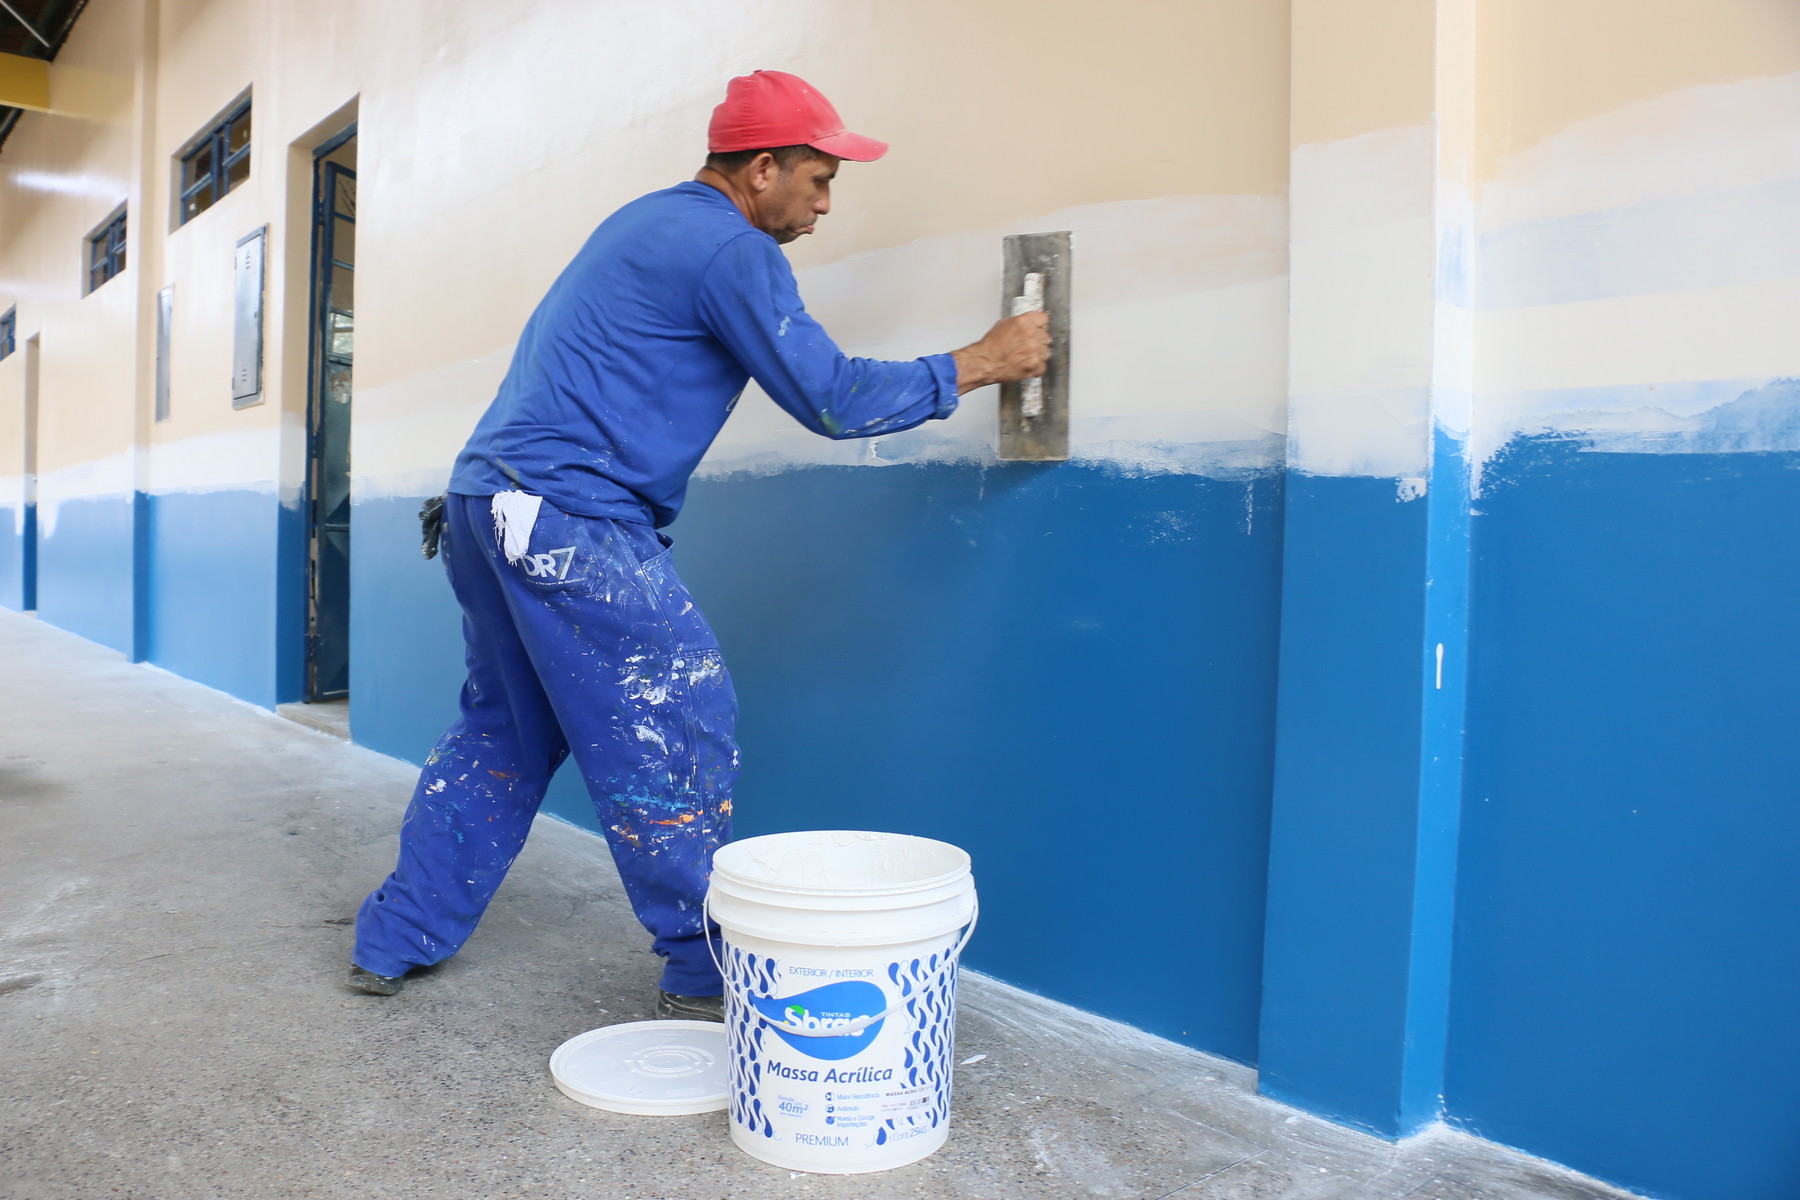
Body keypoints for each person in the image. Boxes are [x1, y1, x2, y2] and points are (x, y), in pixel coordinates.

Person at [347, 70, 1049, 1019]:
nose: (825, 205)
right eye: (818, 180)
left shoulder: (646, 220)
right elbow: (834, 399)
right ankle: (703, 966)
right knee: (678, 711)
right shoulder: (732, 249)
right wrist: (983, 361)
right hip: (567, 516)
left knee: (504, 730)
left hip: (484, 505)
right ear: (762, 170)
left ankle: (394, 938)